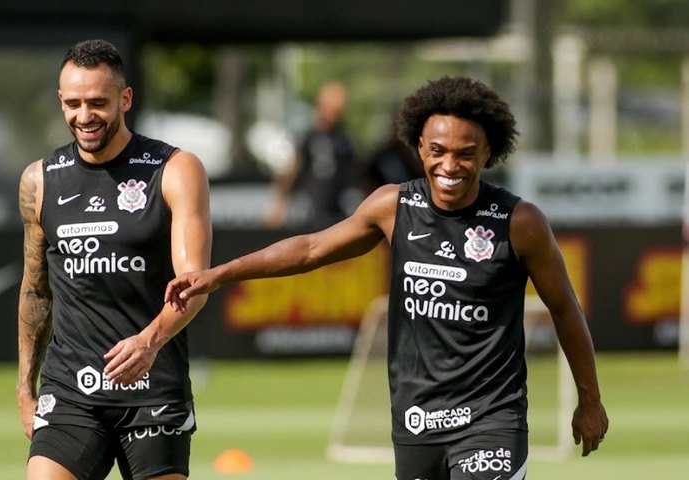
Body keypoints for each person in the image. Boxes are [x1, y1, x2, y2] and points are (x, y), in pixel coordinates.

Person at [165, 76, 609, 479]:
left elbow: (565, 308)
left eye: (465, 154)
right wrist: (220, 273)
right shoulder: (393, 206)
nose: (449, 166)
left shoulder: (519, 221)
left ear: (488, 153)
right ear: (419, 147)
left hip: (491, 418)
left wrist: (589, 401)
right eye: (437, 151)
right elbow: (311, 249)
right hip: (416, 421)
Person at [16, 39, 211, 480]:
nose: (84, 116)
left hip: (153, 387)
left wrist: (150, 340)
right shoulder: (39, 180)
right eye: (73, 103)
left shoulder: (175, 169)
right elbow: (35, 291)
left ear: (125, 99)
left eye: (98, 103)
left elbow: (195, 283)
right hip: (70, 390)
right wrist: (25, 386)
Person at [265, 80, 361, 229]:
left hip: (337, 210)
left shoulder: (343, 139)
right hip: (309, 211)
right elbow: (291, 169)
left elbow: (354, 172)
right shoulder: (306, 136)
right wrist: (279, 203)